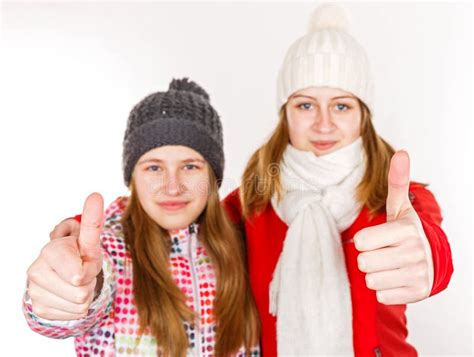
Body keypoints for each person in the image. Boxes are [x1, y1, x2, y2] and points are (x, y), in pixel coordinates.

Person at [47, 4, 454, 357]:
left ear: (363, 115)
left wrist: (428, 258)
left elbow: (430, 248)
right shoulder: (254, 201)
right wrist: (79, 234)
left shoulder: (401, 200)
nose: (324, 123)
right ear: (286, 113)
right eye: (306, 104)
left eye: (342, 105)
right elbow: (177, 219)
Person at [23, 78, 260, 357]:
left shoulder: (243, 247)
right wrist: (66, 293)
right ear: (133, 177)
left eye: (190, 166)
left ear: (212, 177)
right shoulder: (107, 250)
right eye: (154, 168)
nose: (173, 186)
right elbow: (70, 300)